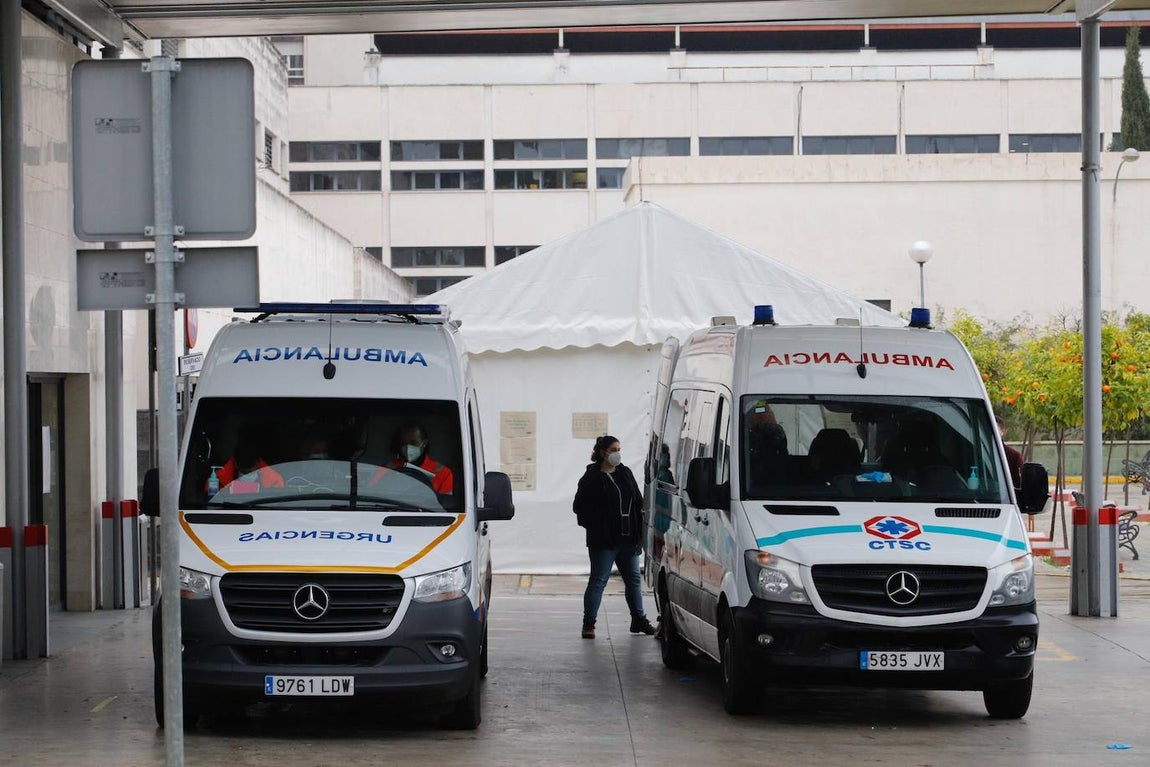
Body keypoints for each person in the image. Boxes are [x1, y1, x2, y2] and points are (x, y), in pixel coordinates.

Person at [573, 435, 657, 639]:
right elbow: (580, 507)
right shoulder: (591, 478)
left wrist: (639, 525)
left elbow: (637, 500)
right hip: (604, 541)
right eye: (613, 450)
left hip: (628, 539)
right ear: (602, 452)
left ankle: (638, 619)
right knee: (598, 580)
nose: (617, 454)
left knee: (634, 580)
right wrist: (598, 526)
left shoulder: (624, 473)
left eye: (619, 449)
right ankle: (589, 623)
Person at [370, 422, 454, 495]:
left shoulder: (443, 473)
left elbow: (446, 505)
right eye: (404, 443)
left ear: (424, 443)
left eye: (413, 442)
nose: (408, 447)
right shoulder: (388, 469)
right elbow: (372, 493)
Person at [209, 427, 285, 495]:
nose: (247, 458)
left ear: (258, 462)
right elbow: (210, 501)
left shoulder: (274, 481)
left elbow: (277, 502)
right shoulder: (216, 480)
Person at [997, 415, 1023, 489]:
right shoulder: (974, 453)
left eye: (994, 430)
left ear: (1003, 431)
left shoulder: (1014, 456)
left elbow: (1019, 486)